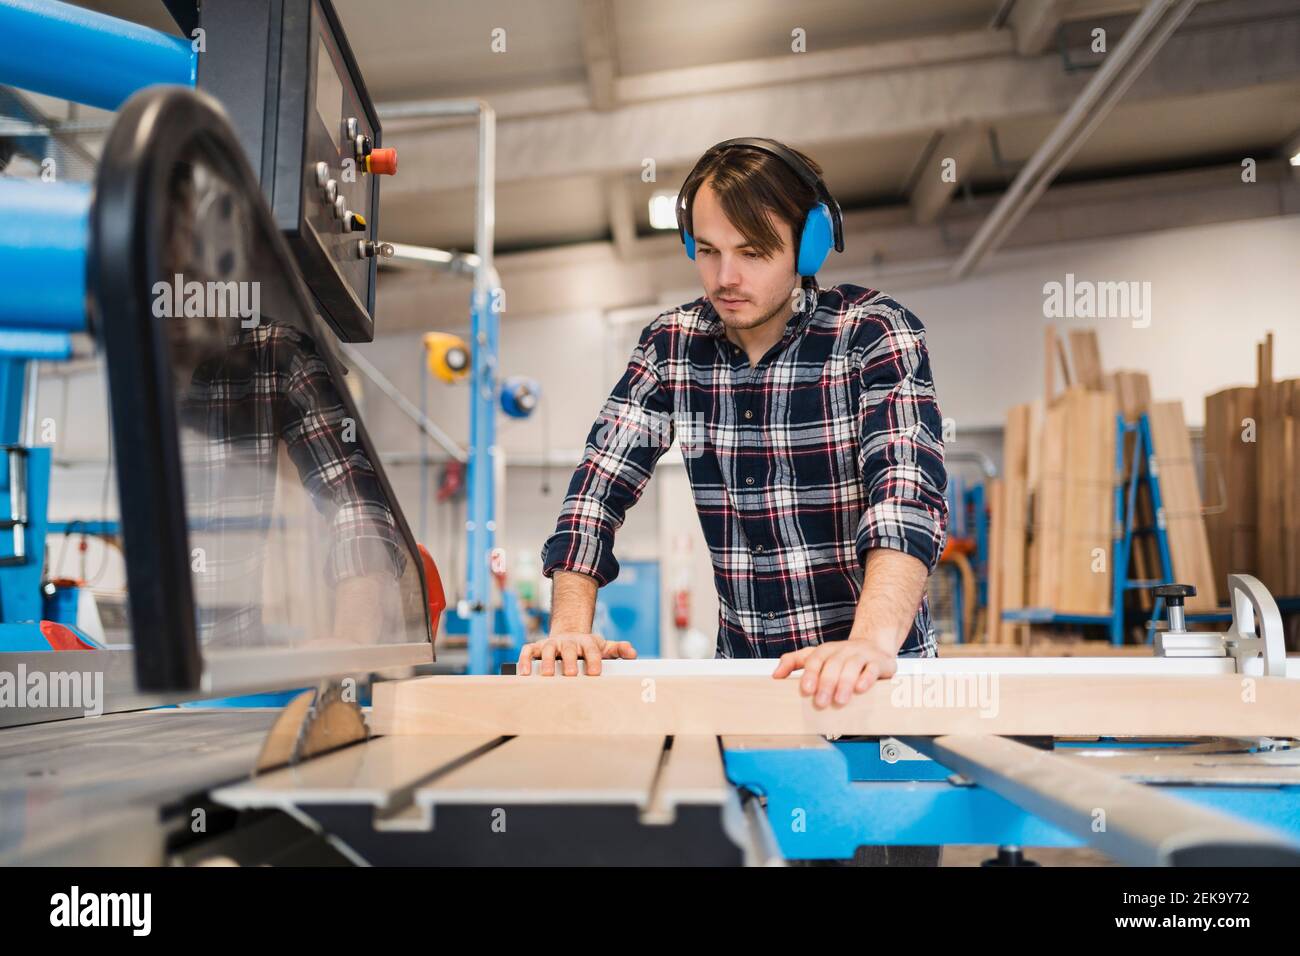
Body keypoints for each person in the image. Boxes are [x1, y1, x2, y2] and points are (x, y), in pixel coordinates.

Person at [524, 138, 948, 711]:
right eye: (707, 251)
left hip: (875, 685)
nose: (725, 277)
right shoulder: (672, 346)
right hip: (750, 688)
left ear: (809, 246)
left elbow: (905, 498)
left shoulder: (872, 335)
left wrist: (868, 642)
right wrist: (569, 628)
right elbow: (597, 488)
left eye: (752, 252)